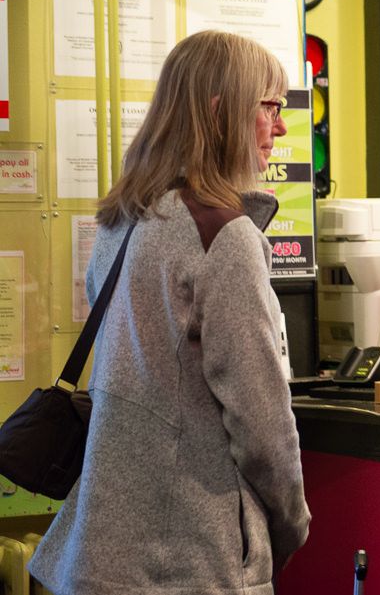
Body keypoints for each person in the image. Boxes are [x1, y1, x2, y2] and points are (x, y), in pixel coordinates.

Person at [28, 30, 311, 594]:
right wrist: (291, 524)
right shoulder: (225, 238)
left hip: (96, 554)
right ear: (219, 111)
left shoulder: (123, 221)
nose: (281, 126)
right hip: (185, 562)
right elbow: (263, 425)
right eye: (270, 107)